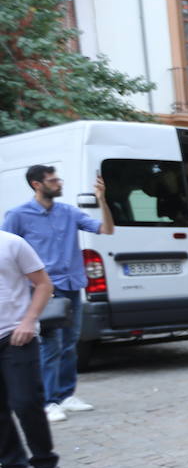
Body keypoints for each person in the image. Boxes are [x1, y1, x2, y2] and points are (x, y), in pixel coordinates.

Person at [3, 165, 113, 424]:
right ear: (36, 184)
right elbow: (7, 251)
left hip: (72, 286)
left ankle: (65, 395)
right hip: (43, 288)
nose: (59, 183)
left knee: (70, 343)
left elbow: (106, 230)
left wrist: (102, 200)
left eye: (58, 179)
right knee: (51, 345)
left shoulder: (68, 212)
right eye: (53, 180)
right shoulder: (18, 215)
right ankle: (47, 401)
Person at [0, 229, 68, 468]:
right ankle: (14, 467)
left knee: (26, 401)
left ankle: (46, 462)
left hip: (16, 335)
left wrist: (29, 321)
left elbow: (43, 284)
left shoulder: (12, 243)